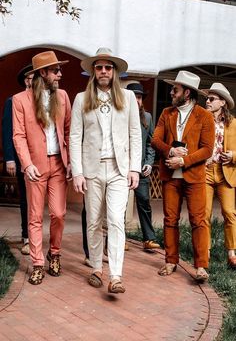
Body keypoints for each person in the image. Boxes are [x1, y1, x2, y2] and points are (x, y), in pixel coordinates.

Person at [70, 47, 142, 294]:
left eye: (108, 67)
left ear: (114, 72)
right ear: (93, 71)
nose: (103, 71)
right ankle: (96, 269)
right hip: (92, 169)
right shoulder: (81, 98)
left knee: (115, 221)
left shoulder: (128, 98)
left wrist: (134, 168)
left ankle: (116, 275)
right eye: (99, 67)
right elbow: (75, 136)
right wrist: (77, 172)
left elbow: (135, 134)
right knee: (93, 221)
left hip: (118, 169)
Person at [12, 51, 71, 285]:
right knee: (35, 216)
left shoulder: (64, 96)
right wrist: (26, 164)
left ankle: (54, 253)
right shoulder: (20, 100)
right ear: (42, 73)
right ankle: (37, 263)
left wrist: (71, 162)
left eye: (59, 70)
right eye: (55, 70)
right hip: (35, 165)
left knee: (58, 213)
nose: (59, 74)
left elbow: (68, 131)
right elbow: (18, 136)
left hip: (58, 163)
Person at [151, 70, 215, 282]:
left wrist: (184, 161)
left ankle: (201, 266)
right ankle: (170, 260)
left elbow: (207, 149)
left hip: (194, 176)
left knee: (199, 220)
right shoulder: (166, 113)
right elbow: (155, 140)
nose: (171, 92)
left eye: (175, 89)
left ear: (187, 93)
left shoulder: (204, 116)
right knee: (170, 219)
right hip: (170, 176)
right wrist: (171, 151)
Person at [203, 83, 236, 269]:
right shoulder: (202, 120)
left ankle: (232, 253)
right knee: (205, 214)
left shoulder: (233, 124)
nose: (207, 101)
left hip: (226, 173)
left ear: (222, 102)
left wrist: (233, 155)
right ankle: (205, 252)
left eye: (211, 99)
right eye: (207, 98)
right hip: (206, 171)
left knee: (230, 213)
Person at [2, 64, 34, 255]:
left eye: (34, 77)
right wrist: (9, 159)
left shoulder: (41, 100)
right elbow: (7, 131)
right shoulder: (12, 101)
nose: (31, 80)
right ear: (24, 80)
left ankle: (34, 236)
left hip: (38, 156)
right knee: (25, 198)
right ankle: (26, 236)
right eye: (29, 77)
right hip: (20, 157)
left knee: (36, 199)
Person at [126, 83, 160, 250]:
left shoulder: (147, 117)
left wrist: (149, 162)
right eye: (133, 97)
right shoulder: (119, 116)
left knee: (144, 201)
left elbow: (150, 143)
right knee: (119, 204)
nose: (136, 100)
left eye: (139, 97)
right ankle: (119, 239)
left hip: (140, 169)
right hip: (122, 168)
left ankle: (149, 239)